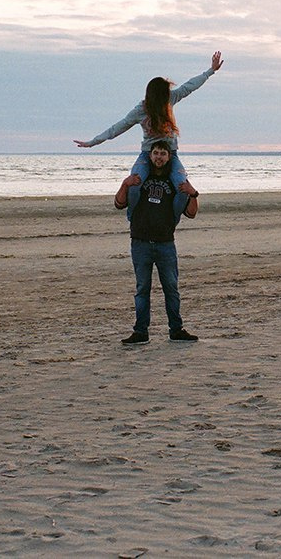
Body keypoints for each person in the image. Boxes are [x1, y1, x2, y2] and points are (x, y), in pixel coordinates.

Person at [75, 51, 224, 190]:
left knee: (182, 186)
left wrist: (210, 71)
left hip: (170, 153)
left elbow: (189, 87)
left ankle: (172, 218)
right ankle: (133, 216)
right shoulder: (140, 110)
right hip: (148, 153)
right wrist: (92, 142)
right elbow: (117, 128)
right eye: (165, 92)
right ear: (156, 95)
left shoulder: (170, 99)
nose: (169, 94)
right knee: (135, 182)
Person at [113, 140, 200, 345]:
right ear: (149, 156)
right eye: (156, 153)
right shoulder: (138, 179)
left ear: (169, 157)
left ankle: (176, 330)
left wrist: (193, 193)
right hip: (140, 243)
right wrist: (125, 184)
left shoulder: (175, 182)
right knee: (142, 288)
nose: (159, 157)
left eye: (163, 153)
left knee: (171, 288)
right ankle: (141, 332)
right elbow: (118, 203)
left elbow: (191, 213)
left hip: (165, 244)